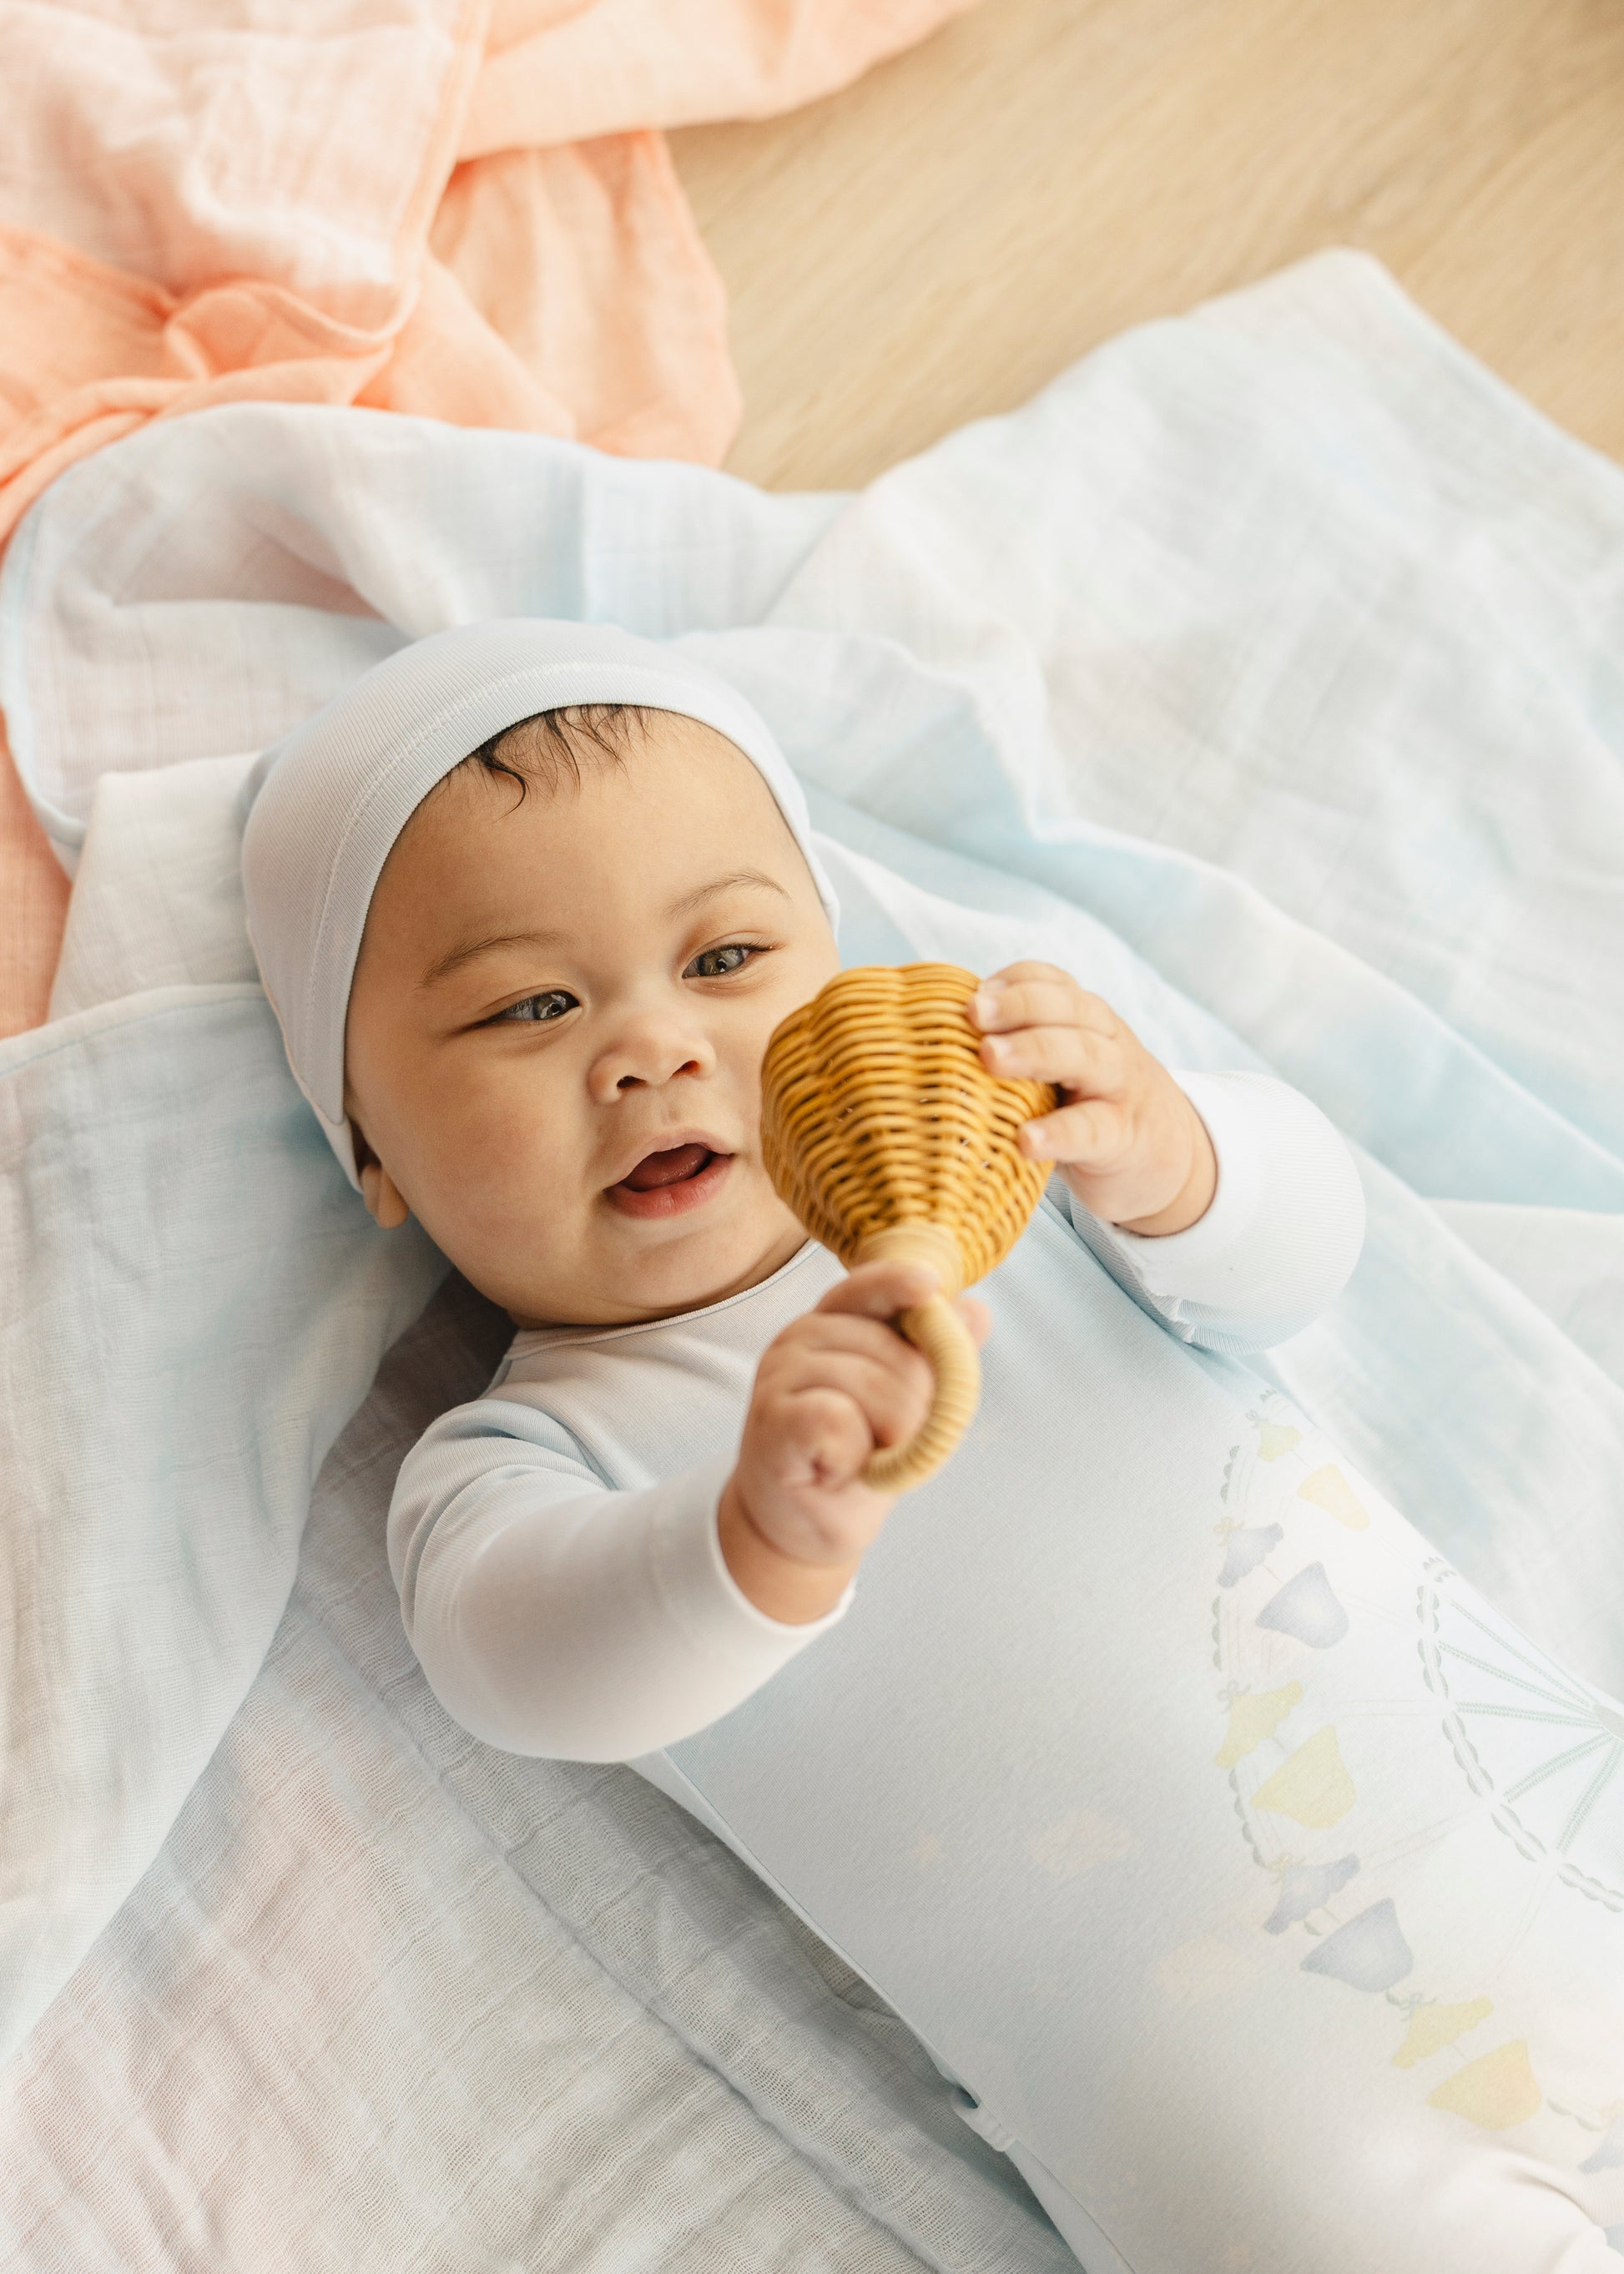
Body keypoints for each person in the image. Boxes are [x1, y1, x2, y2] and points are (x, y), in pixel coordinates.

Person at [243, 619, 1624, 2272]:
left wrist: (1180, 1158)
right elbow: (525, 1666)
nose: (652, 1045)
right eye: (531, 1005)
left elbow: (1303, 1257)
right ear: (371, 1150)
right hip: (1238, 2119)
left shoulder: (1027, 1207)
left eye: (727, 959)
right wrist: (752, 1532)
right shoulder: (526, 1457)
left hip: (1542, 1836)